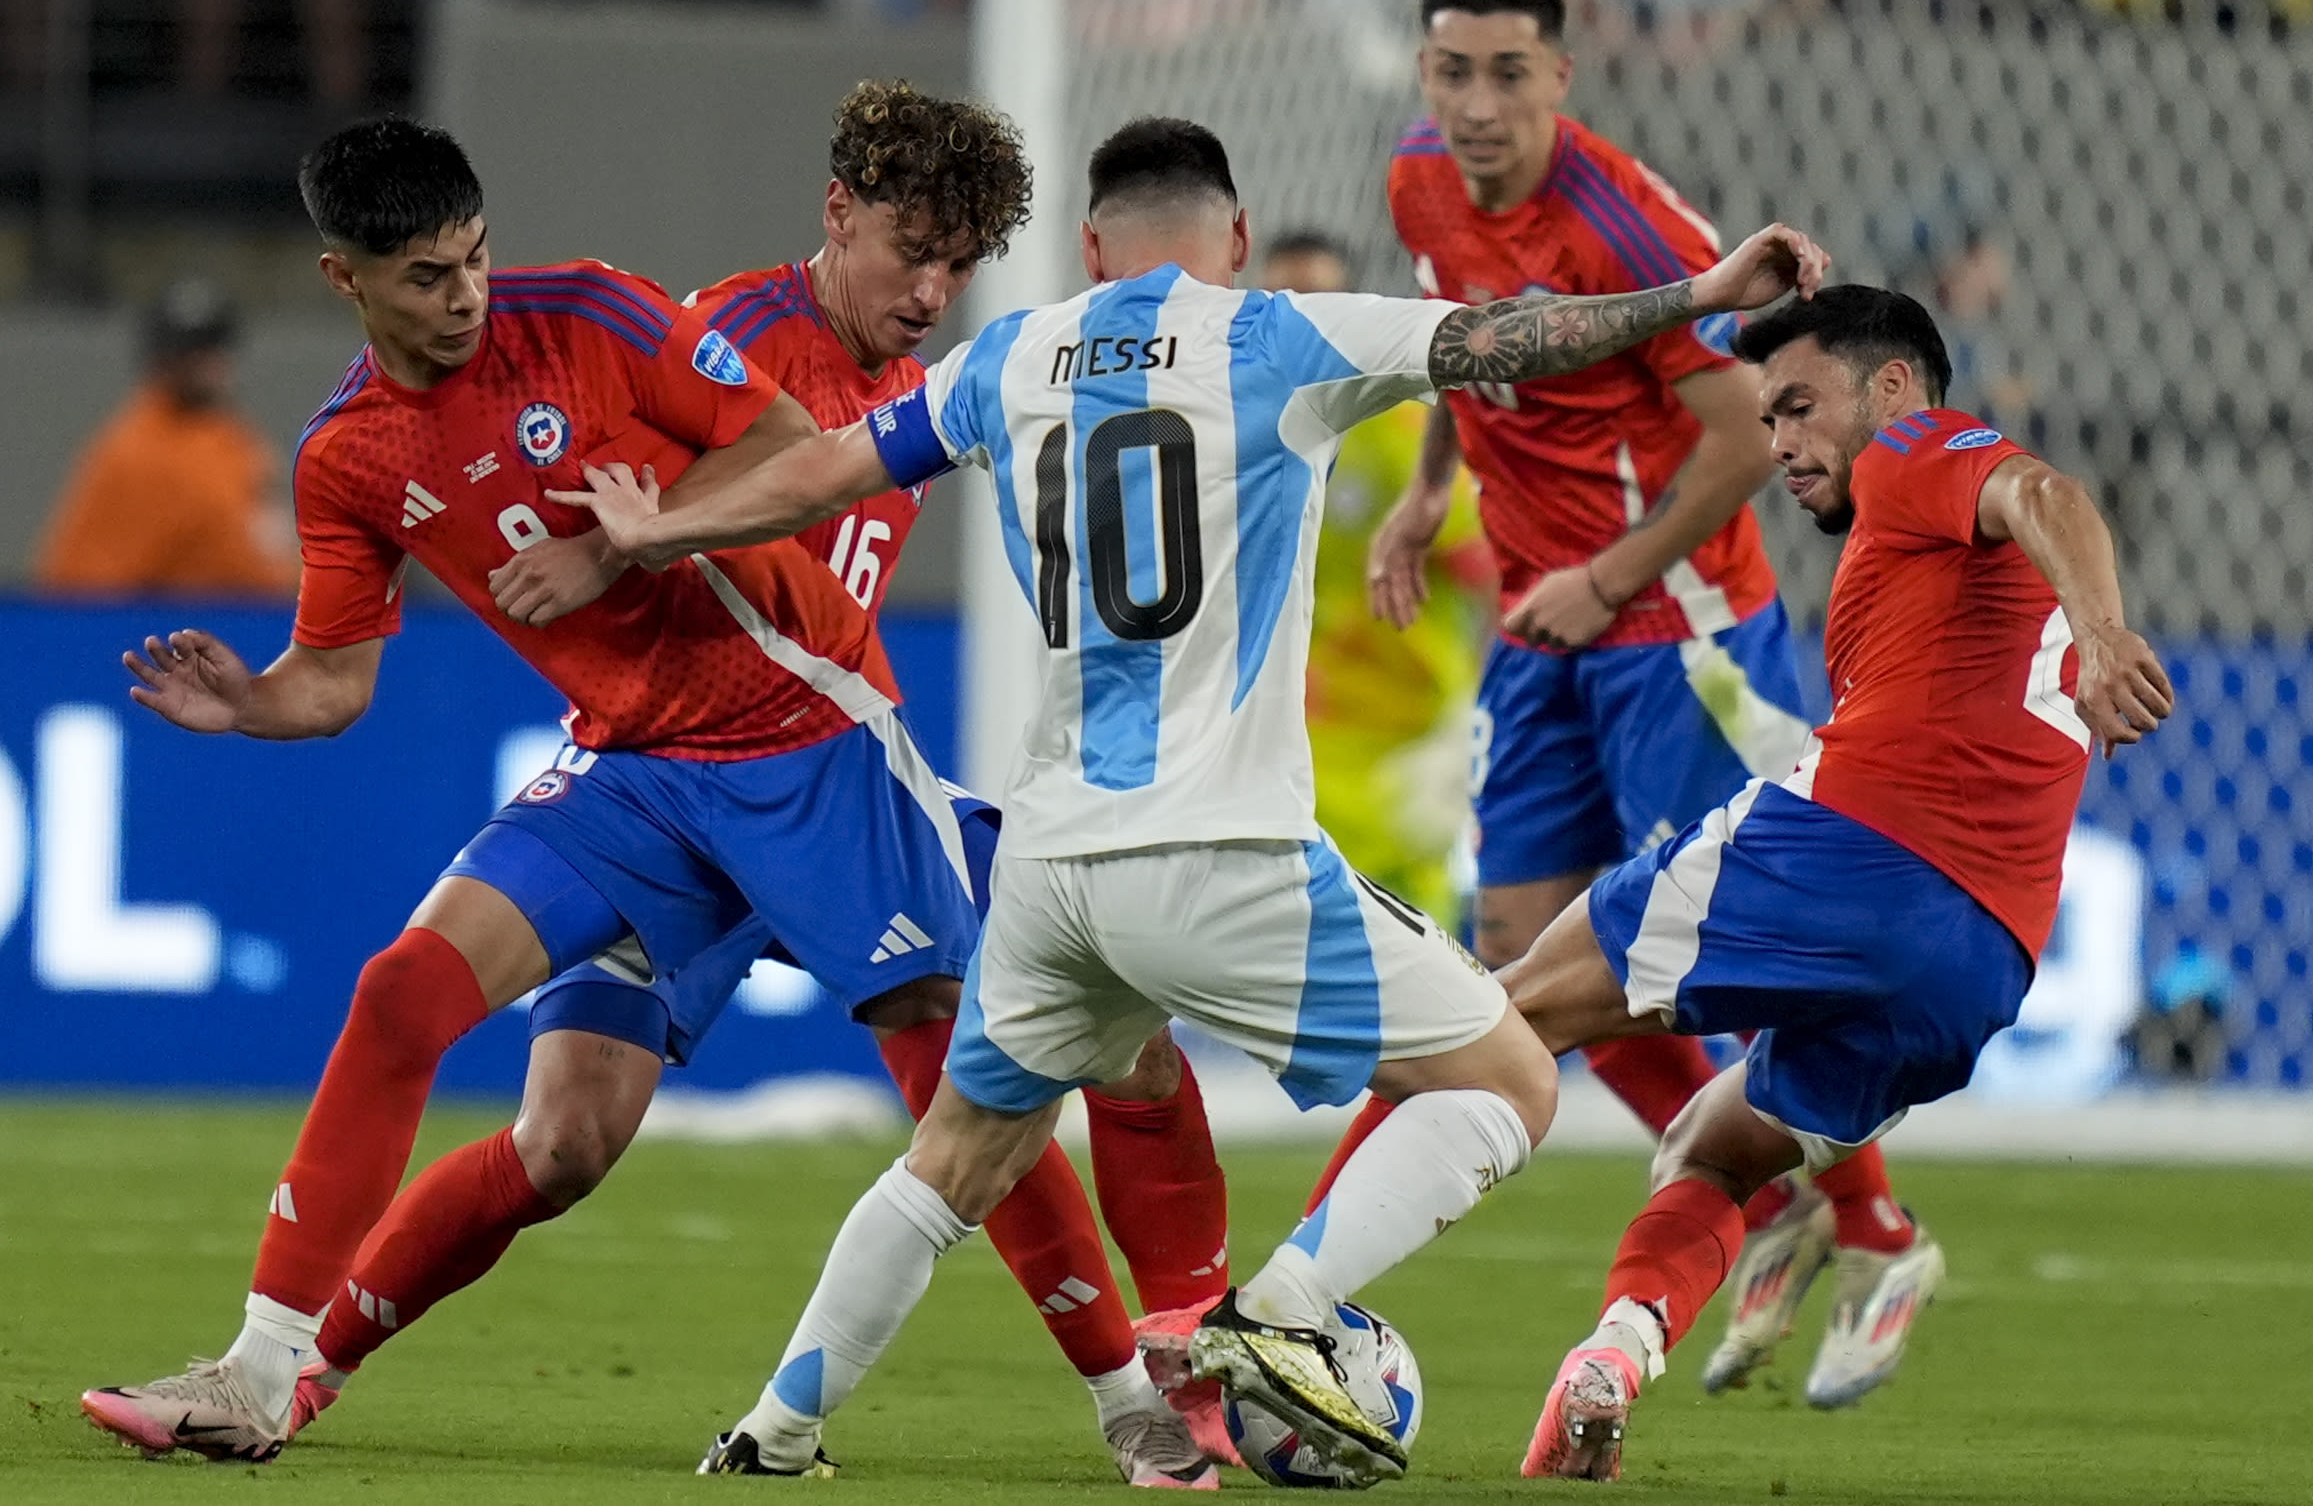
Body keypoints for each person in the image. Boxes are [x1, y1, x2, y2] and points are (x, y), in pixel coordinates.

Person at [548, 117, 1828, 1484]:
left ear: (1090, 245)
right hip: (1219, 853)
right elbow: (1504, 340)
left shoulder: (1008, 354)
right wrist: (1696, 295)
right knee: (1510, 1076)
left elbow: (821, 469)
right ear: (1232, 236)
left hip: (1046, 872)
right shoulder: (1278, 334)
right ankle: (1275, 1314)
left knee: (956, 1159)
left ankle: (775, 1428)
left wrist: (659, 528)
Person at [76, 112, 1206, 1488]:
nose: (465, 296)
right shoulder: (357, 451)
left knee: (965, 1084)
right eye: (427, 276)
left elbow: (780, 452)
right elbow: (331, 678)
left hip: (808, 748)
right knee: (441, 1028)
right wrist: (249, 704)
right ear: (345, 279)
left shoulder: (600, 316)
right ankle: (262, 1372)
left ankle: (1132, 1404)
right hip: (633, 768)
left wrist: (619, 554)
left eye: (475, 259)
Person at [1344, 0, 1933, 1402]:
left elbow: (1743, 439)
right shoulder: (1418, 181)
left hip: (1669, 622)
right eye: (1451, 72)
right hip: (1547, 622)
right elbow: (1459, 355)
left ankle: (1877, 1226)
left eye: (1505, 74)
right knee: (1523, 958)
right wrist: (1429, 493)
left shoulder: (1631, 228)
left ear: (1561, 76)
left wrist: (1609, 577)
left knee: (1728, 962)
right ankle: (1765, 1191)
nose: (1475, 105)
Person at [1502, 284, 2172, 1479]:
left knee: (1494, 1021)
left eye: (1800, 409)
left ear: (1895, 389)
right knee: (1714, 1148)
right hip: (1978, 966)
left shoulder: (1922, 448)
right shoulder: (1924, 554)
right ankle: (1617, 1349)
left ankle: (1284, 1303)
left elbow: (2045, 491)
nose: (1780, 446)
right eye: (1768, 420)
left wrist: (2106, 625)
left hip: (1850, 855)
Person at [1257, 231, 1493, 927]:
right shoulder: (1246, 430)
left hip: (1404, 743)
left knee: (1419, 953)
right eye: (1284, 302)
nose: (1304, 319)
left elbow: (1489, 576)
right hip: (1298, 735)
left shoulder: (1399, 434)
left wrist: (1471, 721)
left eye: (1322, 301)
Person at [35, 278, 299, 599]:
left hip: (259, 629)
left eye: (214, 345)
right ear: (158, 359)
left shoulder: (236, 439)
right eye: (189, 351)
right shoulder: (132, 453)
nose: (206, 362)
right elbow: (76, 593)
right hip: (181, 632)